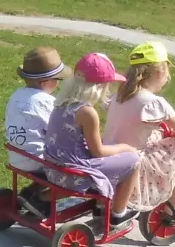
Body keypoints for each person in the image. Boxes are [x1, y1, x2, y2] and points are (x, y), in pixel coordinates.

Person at [107, 41, 175, 227]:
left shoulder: (120, 93)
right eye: (167, 72)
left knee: (158, 138)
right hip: (135, 160)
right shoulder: (153, 102)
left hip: (110, 150)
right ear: (159, 73)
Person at [43, 52, 140, 228]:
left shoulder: (61, 102)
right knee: (133, 160)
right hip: (73, 174)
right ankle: (118, 213)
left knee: (112, 151)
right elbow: (99, 152)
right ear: (99, 86)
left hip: (53, 167)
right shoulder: (87, 112)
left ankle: (102, 205)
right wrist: (125, 147)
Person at [5, 47, 68, 216]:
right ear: (45, 82)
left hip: (17, 156)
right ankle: (42, 199)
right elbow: (57, 131)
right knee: (75, 170)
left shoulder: (17, 95)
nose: (59, 83)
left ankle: (28, 194)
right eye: (57, 79)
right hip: (38, 162)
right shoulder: (47, 102)